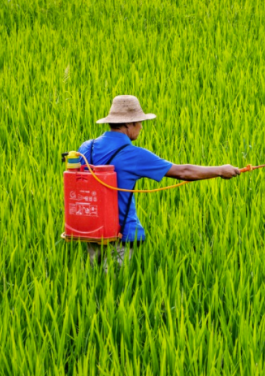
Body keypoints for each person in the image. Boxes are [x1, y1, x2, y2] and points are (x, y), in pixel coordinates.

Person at [78, 95, 241, 271]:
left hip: (91, 230)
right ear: (128, 124)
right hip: (120, 235)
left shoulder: (86, 147)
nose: (141, 127)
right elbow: (183, 172)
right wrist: (220, 170)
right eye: (140, 122)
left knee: (93, 279)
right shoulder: (133, 154)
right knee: (114, 283)